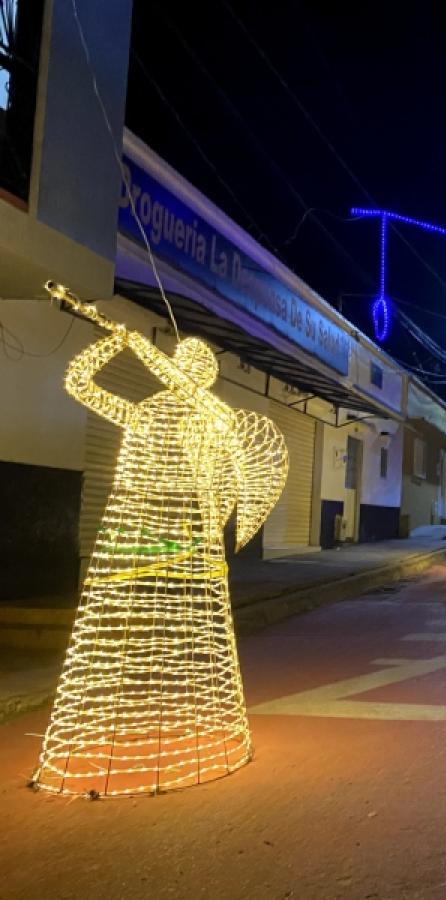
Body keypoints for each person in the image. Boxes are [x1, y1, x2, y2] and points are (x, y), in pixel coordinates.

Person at [34, 293, 287, 797]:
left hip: (185, 520)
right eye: (182, 361)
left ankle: (191, 723)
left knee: (191, 625)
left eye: (194, 364)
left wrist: (142, 350)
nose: (185, 369)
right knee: (109, 618)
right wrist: (112, 342)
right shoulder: (143, 412)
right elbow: (79, 384)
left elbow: (195, 400)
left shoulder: (211, 415)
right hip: (129, 513)